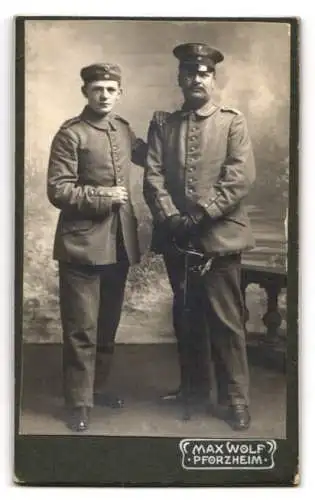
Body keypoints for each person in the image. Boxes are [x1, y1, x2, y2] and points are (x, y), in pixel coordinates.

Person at [143, 43, 256, 430]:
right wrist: (170, 216)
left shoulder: (232, 122)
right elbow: (153, 175)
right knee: (187, 316)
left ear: (213, 78)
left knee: (226, 322)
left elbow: (239, 177)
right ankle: (193, 390)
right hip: (178, 237)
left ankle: (236, 399)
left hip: (219, 236)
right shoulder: (163, 124)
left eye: (203, 73)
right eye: (189, 73)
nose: (196, 79)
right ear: (180, 78)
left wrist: (201, 213)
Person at [47, 63, 148, 432]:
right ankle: (77, 402)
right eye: (97, 89)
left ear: (120, 92)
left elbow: (150, 156)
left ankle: (95, 389)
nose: (104, 95)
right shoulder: (71, 134)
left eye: (110, 89)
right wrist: (103, 195)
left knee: (106, 325)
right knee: (81, 328)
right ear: (85, 93)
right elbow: (57, 189)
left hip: (119, 244)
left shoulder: (122, 130)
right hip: (82, 245)